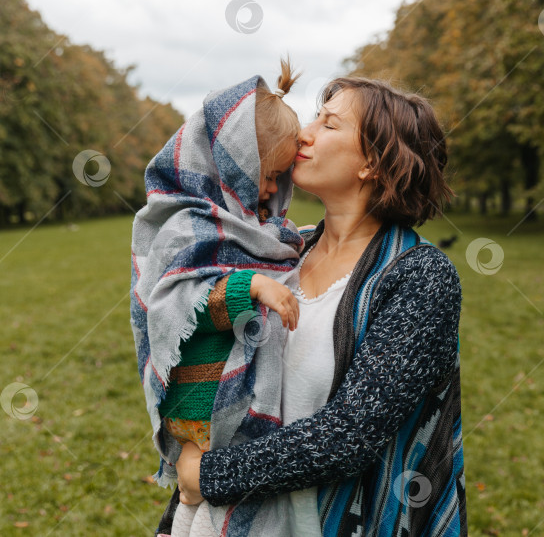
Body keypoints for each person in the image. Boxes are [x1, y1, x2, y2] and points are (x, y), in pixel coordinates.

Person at [172, 76, 467, 537]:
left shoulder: (420, 277)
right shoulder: (282, 253)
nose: (303, 134)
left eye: (329, 124)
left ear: (374, 162)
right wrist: (188, 441)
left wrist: (205, 475)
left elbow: (349, 436)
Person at [130, 59, 319, 536]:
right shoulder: (185, 223)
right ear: (231, 162)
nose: (275, 189)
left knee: (209, 508)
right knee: (197, 507)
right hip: (199, 401)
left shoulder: (255, 226)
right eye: (269, 175)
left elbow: (283, 251)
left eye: (281, 178)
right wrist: (249, 286)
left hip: (235, 416)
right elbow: (176, 302)